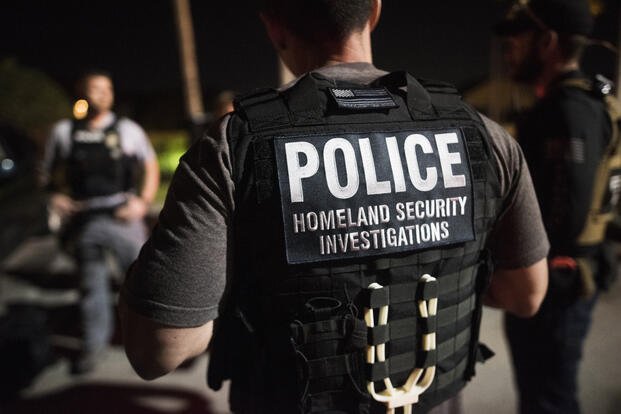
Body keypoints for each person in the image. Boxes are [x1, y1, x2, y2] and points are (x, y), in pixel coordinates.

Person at [120, 1, 549, 412]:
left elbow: (159, 348)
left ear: (274, 26)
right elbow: (526, 295)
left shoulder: (234, 146)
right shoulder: (485, 136)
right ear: (374, 10)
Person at [495, 0, 621, 412]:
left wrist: (529, 272)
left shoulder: (567, 110)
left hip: (557, 288)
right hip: (566, 282)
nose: (510, 49)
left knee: (549, 401)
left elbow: (565, 214)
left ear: (547, 42)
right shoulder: (581, 102)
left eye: (518, 38)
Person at [40, 70, 159, 374]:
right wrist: (54, 195)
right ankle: (94, 345)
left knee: (142, 281)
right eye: (96, 88)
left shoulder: (127, 129)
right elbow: (45, 171)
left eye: (108, 88)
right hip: (85, 218)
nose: (104, 94)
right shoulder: (65, 131)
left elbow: (150, 164)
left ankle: (156, 342)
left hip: (123, 216)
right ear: (82, 92)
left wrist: (143, 202)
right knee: (91, 288)